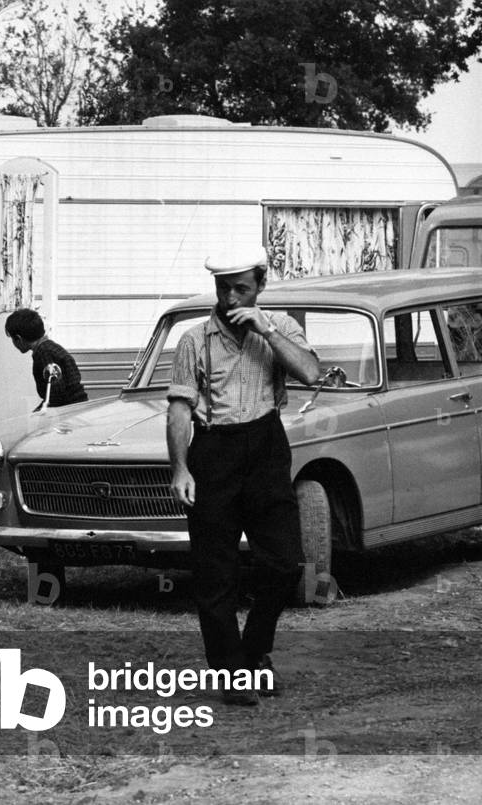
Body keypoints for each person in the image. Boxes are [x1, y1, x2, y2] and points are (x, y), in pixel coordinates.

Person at [165, 246, 320, 705]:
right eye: (223, 289)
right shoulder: (195, 339)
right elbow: (178, 409)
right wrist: (180, 468)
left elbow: (311, 373)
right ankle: (232, 673)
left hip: (267, 447)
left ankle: (252, 656)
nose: (231, 299)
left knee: (284, 561)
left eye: (241, 289)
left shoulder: (282, 328)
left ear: (260, 287)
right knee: (216, 572)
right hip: (214, 450)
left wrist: (266, 330)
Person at [5, 308, 88, 410]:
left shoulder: (43, 353)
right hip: (78, 407)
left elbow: (55, 394)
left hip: (71, 411)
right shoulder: (49, 348)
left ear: (19, 339)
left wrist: (39, 412)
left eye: (13, 339)